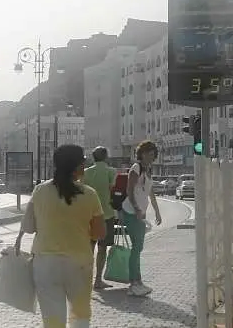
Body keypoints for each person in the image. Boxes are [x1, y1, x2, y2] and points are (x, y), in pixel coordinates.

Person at [15, 144, 106, 328]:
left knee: (53, 320)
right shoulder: (90, 194)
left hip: (45, 263)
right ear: (78, 166)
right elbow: (99, 233)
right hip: (79, 263)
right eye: (83, 161)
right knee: (80, 315)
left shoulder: (40, 190)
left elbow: (30, 227)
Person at [122, 140, 162, 297]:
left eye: (154, 154)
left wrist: (157, 212)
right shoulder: (136, 168)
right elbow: (129, 190)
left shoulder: (148, 169)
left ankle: (137, 281)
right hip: (132, 212)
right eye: (150, 154)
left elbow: (150, 193)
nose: (152, 157)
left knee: (138, 248)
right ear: (142, 153)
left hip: (140, 213)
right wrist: (137, 208)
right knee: (137, 247)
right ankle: (134, 283)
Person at [82, 146, 117, 290]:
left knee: (89, 248)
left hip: (89, 215)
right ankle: (97, 280)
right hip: (106, 214)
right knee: (102, 249)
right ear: (106, 157)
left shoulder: (86, 173)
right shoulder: (111, 171)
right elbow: (113, 190)